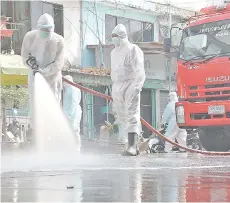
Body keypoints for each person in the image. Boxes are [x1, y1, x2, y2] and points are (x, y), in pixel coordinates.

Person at [21, 13, 65, 121]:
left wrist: (45, 71)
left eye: (48, 30)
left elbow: (59, 63)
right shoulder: (30, 37)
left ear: (53, 29)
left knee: (52, 107)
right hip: (35, 77)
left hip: (52, 78)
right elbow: (24, 56)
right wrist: (33, 65)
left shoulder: (59, 40)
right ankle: (36, 131)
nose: (45, 33)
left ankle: (53, 132)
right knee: (36, 107)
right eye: (43, 30)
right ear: (38, 28)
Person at [111, 24, 146, 156]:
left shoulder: (133, 49)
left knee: (132, 113)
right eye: (112, 36)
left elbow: (139, 70)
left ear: (122, 36)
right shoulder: (113, 52)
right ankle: (132, 145)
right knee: (122, 115)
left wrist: (136, 87)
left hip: (131, 83)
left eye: (116, 36)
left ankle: (132, 146)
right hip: (118, 85)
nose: (114, 39)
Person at [63, 75, 82, 151]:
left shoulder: (73, 89)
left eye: (64, 82)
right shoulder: (69, 89)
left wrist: (69, 114)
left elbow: (74, 103)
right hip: (70, 113)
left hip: (73, 114)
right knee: (71, 131)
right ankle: (72, 147)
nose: (63, 83)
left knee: (74, 130)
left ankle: (76, 148)